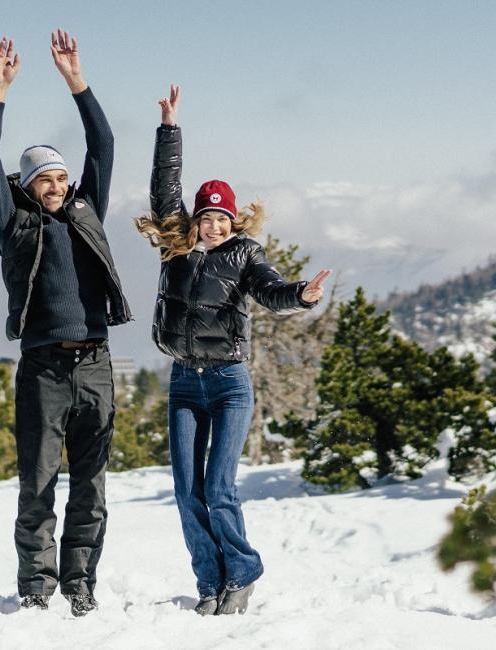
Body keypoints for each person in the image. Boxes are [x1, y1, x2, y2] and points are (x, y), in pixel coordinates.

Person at [136, 85, 331, 616]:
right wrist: (169, 127)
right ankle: (208, 582)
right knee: (186, 491)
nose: (215, 224)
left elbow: (271, 288)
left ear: (234, 219)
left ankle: (241, 574)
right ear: (196, 220)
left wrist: (300, 295)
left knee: (218, 487)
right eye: (207, 217)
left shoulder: (244, 254)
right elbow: (164, 187)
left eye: (223, 216)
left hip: (227, 384)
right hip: (183, 382)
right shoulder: (177, 250)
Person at [0, 31, 132, 617]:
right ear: (28, 186)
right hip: (43, 369)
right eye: (46, 180)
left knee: (91, 486)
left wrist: (76, 82)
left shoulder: (88, 212)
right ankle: (36, 587)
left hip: (95, 364)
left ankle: (79, 581)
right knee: (37, 486)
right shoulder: (14, 227)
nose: (59, 187)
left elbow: (105, 145)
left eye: (62, 178)